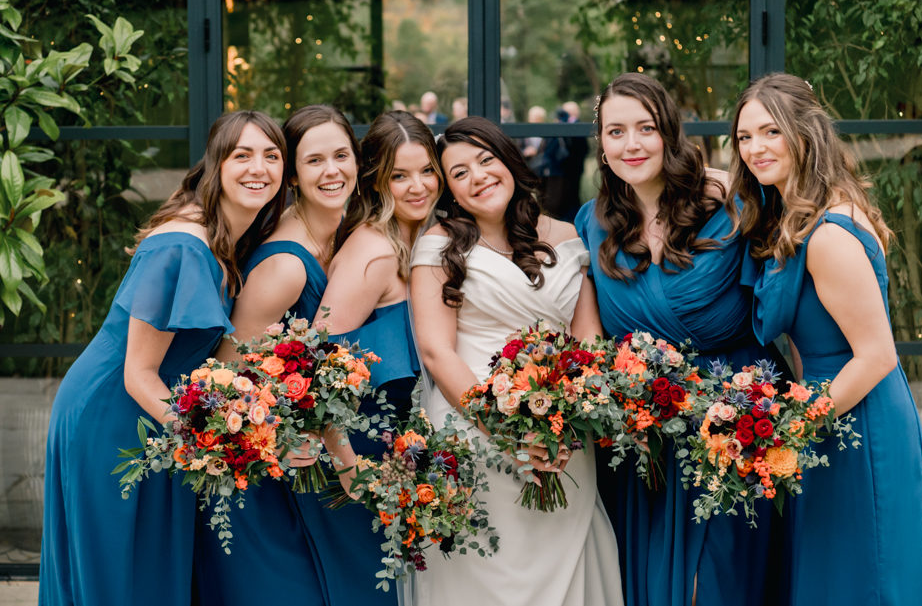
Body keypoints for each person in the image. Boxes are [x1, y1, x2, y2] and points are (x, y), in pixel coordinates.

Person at [40, 111, 287, 606]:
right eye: (242, 154)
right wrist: (220, 440)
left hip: (162, 417)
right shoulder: (180, 245)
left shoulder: (228, 238)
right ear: (215, 165)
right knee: (120, 571)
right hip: (115, 414)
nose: (258, 167)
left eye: (272, 155)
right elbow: (138, 372)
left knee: (152, 568)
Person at [730, 72, 922, 606]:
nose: (755, 148)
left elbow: (876, 355)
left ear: (805, 133)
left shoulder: (827, 234)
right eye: (743, 137)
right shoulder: (799, 218)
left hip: (857, 420)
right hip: (830, 415)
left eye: (770, 132)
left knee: (863, 577)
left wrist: (789, 429)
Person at [576, 72, 783, 606]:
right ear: (601, 143)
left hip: (737, 424)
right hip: (648, 437)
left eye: (645, 127)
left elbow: (785, 307)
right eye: (615, 131)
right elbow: (591, 338)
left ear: (669, 132)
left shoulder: (733, 204)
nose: (632, 144)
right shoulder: (591, 225)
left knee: (718, 582)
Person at [410, 117, 623, 606]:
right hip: (474, 433)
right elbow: (436, 351)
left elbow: (587, 339)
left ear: (511, 161)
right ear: (451, 192)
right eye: (459, 173)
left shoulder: (568, 235)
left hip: (562, 433)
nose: (478, 176)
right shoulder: (440, 246)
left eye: (487, 160)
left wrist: (567, 423)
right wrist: (508, 434)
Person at [195, 104, 360, 606]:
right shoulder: (287, 265)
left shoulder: (344, 234)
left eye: (342, 155)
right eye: (314, 161)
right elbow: (222, 374)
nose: (332, 171)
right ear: (292, 175)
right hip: (264, 482)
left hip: (312, 469)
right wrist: (281, 435)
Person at [292, 110, 441, 603]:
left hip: (397, 458)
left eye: (427, 171)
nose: (417, 186)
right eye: (399, 175)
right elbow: (312, 370)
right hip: (355, 462)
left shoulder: (421, 241)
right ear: (377, 181)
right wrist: (349, 467)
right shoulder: (374, 253)